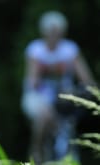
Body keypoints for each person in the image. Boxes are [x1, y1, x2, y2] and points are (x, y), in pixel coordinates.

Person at [22, 11, 95, 164]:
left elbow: (86, 79)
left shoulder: (70, 49)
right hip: (39, 95)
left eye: (57, 32)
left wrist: (87, 90)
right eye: (51, 32)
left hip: (64, 97)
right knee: (44, 116)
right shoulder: (35, 49)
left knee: (66, 122)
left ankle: (66, 157)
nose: (54, 35)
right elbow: (33, 81)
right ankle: (37, 151)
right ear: (44, 32)